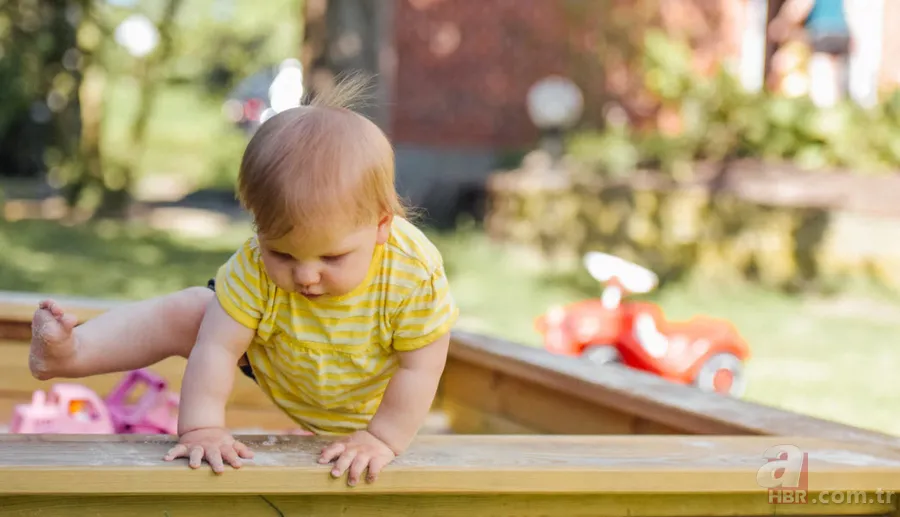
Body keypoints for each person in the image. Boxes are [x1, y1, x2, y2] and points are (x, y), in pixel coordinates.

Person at [27, 73, 459, 486]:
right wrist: (201, 428)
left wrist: (381, 438)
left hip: (370, 396)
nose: (306, 276)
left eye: (332, 256)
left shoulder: (411, 272)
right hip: (283, 359)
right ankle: (72, 352)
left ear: (382, 226)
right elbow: (216, 348)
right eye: (282, 253)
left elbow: (421, 367)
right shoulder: (252, 265)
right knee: (195, 311)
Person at [768, 0, 852, 107]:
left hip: (822, 30)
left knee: (823, 85)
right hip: (842, 32)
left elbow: (800, 5)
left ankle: (824, 111)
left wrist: (783, 22)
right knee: (837, 82)